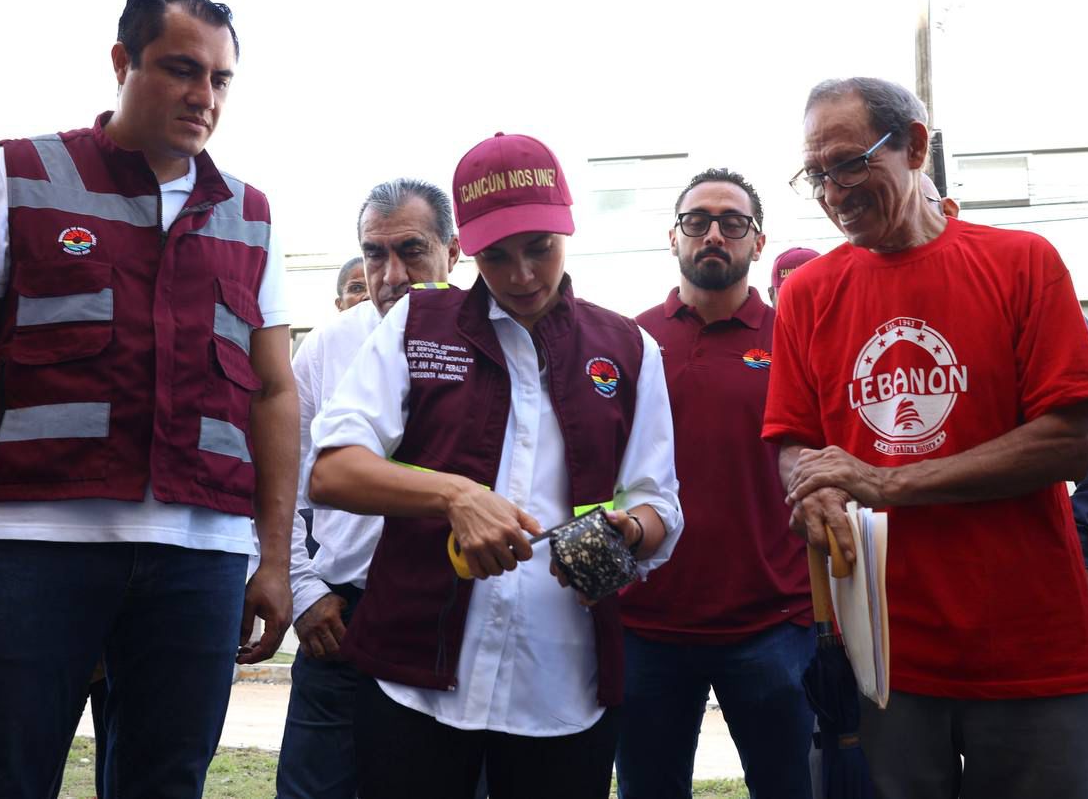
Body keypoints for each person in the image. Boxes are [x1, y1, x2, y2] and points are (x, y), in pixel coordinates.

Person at [0, 0, 297, 798]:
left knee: (166, 784)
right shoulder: (17, 176)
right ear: (123, 62)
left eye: (220, 79)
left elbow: (273, 394)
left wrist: (275, 560)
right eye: (181, 69)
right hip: (30, 549)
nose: (204, 96)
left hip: (200, 560)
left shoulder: (250, 216)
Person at [764, 76, 1088, 799]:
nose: (832, 192)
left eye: (849, 164)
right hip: (884, 659)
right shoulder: (805, 294)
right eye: (816, 174)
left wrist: (884, 482)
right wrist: (810, 486)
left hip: (1029, 648)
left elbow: (1067, 442)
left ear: (916, 146)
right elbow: (793, 440)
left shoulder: (1024, 262)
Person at [306, 132, 683, 799]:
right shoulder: (418, 323)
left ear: (567, 227)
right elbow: (332, 471)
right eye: (497, 256)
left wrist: (627, 533)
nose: (523, 276)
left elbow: (660, 504)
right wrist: (454, 496)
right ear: (466, 250)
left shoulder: (629, 348)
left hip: (561, 681)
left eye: (540, 247)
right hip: (415, 674)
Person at [617, 169, 814, 799]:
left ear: (758, 242)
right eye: (697, 221)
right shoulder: (629, 341)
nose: (713, 235)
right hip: (646, 620)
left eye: (733, 223)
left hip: (771, 621)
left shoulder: (794, 340)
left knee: (786, 788)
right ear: (673, 235)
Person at [277, 178, 461, 799]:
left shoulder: (489, 338)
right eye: (374, 254)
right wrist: (303, 589)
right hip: (343, 618)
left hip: (452, 614)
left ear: (452, 252)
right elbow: (279, 480)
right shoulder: (329, 344)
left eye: (412, 251)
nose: (391, 275)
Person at [921, 173, 1088, 591]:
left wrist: (1083, 535)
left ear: (949, 212)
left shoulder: (1018, 293)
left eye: (916, 213)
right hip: (912, 583)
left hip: (1023, 575)